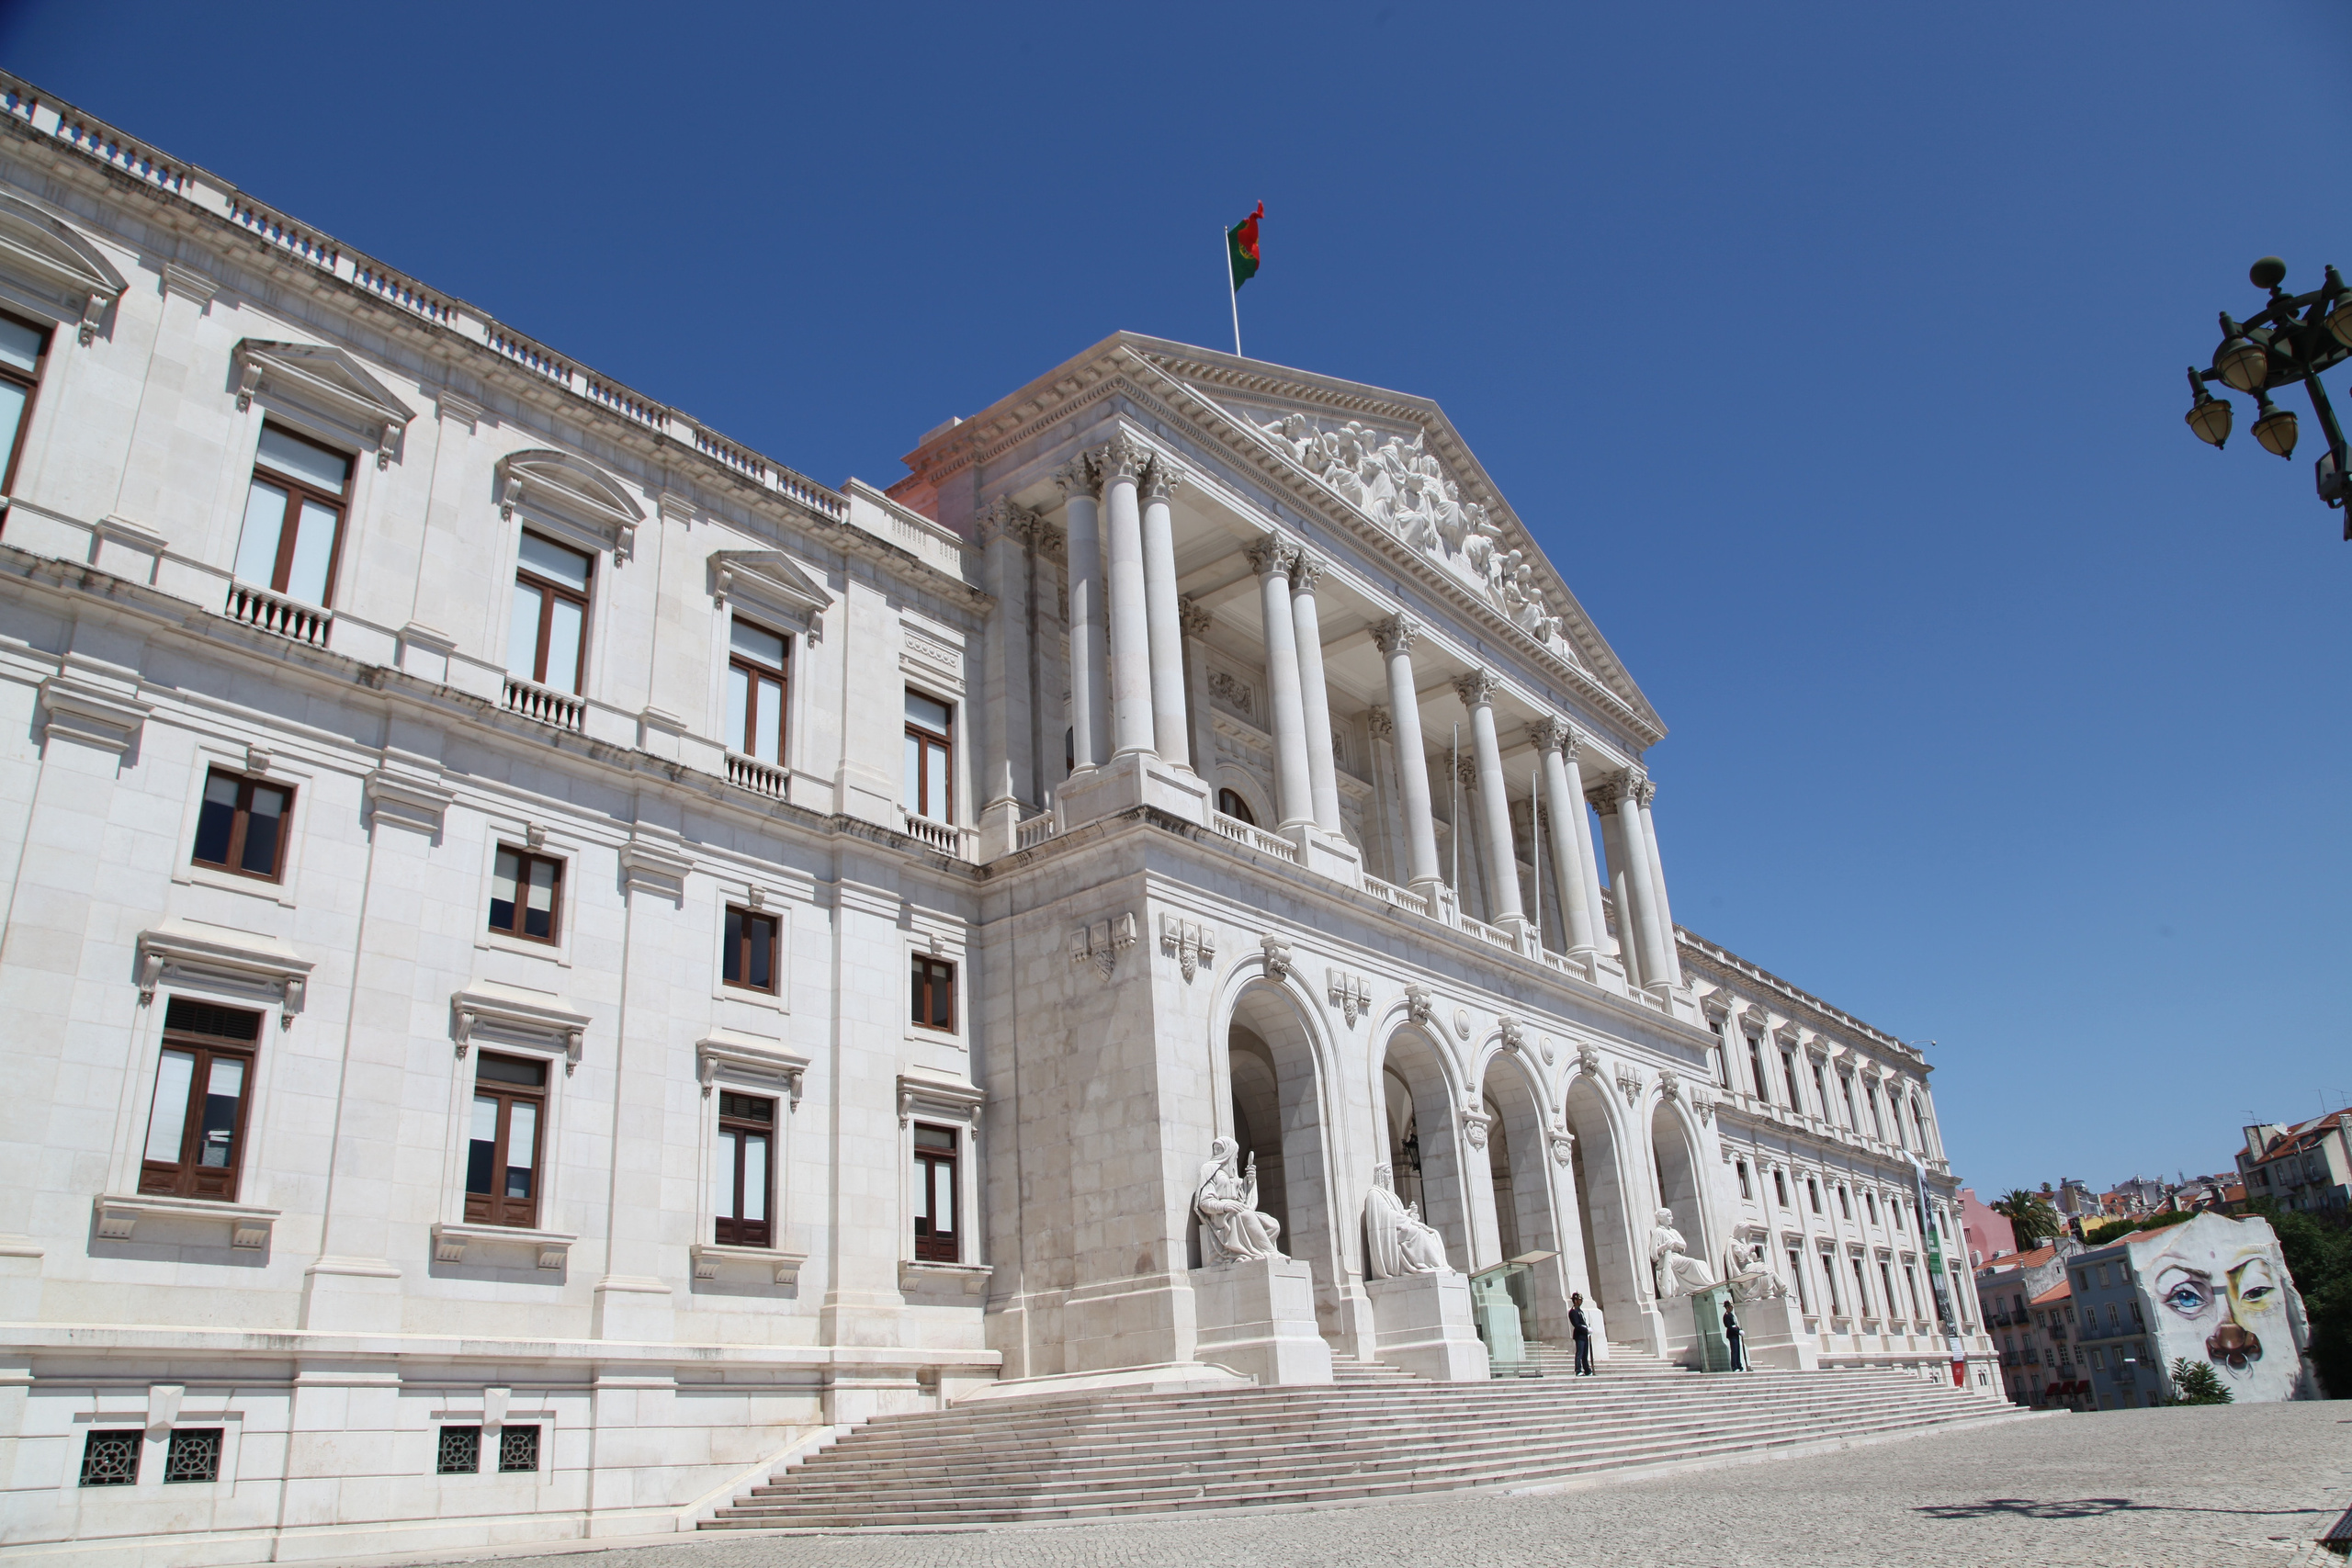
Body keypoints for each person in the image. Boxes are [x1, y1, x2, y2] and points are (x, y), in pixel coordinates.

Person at [1569, 1292, 1595, 1375]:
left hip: (1584, 1335)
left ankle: (1587, 1369)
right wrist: (1585, 1329)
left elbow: (1583, 1322)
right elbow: (1576, 1324)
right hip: (1579, 1335)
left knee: (1585, 1354)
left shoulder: (1580, 1311)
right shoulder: (1573, 1311)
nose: (1581, 1301)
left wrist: (1587, 1329)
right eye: (1580, 1300)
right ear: (1575, 1300)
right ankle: (1578, 1370)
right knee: (1579, 1353)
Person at [1723, 1300, 1747, 1371]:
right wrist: (1738, 1331)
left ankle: (1739, 1365)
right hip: (1732, 1335)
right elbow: (1729, 1326)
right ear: (1727, 1307)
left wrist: (1738, 1330)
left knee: (1737, 1350)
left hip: (1735, 1334)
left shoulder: (1731, 1315)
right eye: (1730, 1306)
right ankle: (1734, 1366)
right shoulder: (1726, 1316)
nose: (1731, 1307)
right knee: (1734, 1351)